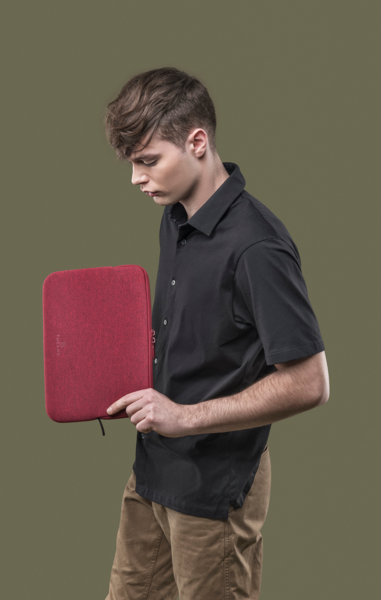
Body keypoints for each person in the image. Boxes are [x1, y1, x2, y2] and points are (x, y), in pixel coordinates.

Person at [103, 66, 330, 600]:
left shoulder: (258, 247)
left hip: (213, 491)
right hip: (151, 471)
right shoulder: (175, 216)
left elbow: (310, 383)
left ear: (198, 142)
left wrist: (183, 417)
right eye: (133, 163)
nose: (136, 178)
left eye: (148, 160)